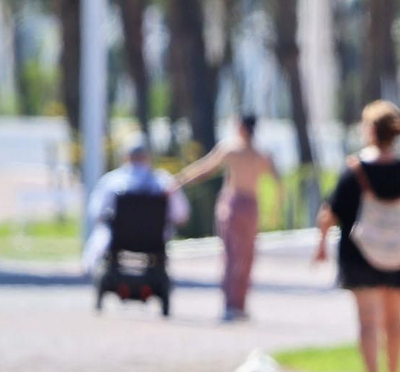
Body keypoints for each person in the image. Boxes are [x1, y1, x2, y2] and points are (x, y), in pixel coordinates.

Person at [314, 101, 400, 372]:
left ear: (370, 131)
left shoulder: (353, 171)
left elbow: (330, 213)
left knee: (367, 323)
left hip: (359, 256)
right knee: (394, 322)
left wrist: (321, 245)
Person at [173, 114, 280, 321]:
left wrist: (180, 179)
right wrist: (274, 211)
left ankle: (231, 305)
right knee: (246, 256)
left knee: (231, 255)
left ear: (241, 127)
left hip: (232, 204)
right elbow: (277, 182)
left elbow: (204, 168)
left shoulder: (231, 149)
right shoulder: (262, 155)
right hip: (251, 206)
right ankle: (238, 304)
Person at [81, 134, 190, 273]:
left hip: (117, 238)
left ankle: (89, 267)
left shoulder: (112, 181)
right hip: (155, 240)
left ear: (125, 157)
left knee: (101, 232)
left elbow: (96, 212)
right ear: (149, 157)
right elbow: (181, 215)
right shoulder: (163, 181)